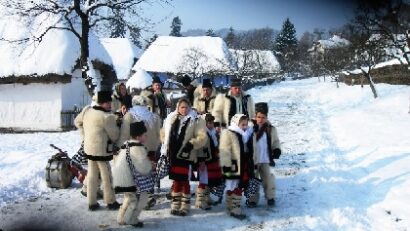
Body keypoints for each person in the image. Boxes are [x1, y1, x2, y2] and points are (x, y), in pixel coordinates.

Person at [74, 90, 120, 211]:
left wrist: (84, 135)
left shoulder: (87, 111)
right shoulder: (107, 117)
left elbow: (77, 122)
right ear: (102, 103)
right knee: (107, 177)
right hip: (102, 151)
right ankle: (111, 202)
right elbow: (114, 135)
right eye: (107, 103)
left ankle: (91, 202)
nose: (110, 105)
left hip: (89, 149)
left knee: (92, 176)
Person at [160, 97, 207, 216]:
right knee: (176, 180)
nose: (184, 109)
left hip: (187, 155)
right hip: (174, 155)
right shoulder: (172, 118)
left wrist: (191, 144)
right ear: (178, 108)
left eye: (186, 107)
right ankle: (175, 205)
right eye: (182, 107)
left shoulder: (196, 119)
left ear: (189, 107)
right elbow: (164, 133)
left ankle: (185, 206)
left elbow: (202, 137)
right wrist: (166, 145)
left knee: (184, 181)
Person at [116, 95, 162, 209]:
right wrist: (158, 146)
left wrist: (120, 148)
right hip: (151, 148)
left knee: (138, 174)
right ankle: (149, 193)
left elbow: (124, 134)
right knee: (149, 171)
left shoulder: (129, 116)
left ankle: (143, 197)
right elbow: (159, 133)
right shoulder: (154, 116)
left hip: (137, 149)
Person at [112, 121, 153, 228]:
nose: (146, 136)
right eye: (145, 135)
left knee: (128, 198)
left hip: (120, 177)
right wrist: (151, 166)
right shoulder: (138, 148)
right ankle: (131, 219)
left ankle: (121, 218)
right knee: (137, 200)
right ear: (139, 136)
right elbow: (143, 168)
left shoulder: (127, 144)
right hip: (128, 180)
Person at [246, 102, 282, 208]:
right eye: (258, 117)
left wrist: (276, 149)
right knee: (253, 181)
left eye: (263, 117)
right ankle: (253, 199)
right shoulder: (249, 128)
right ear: (255, 116)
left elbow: (275, 141)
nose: (260, 119)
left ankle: (270, 197)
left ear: (266, 117)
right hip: (254, 160)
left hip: (265, 159)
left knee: (268, 179)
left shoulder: (270, 129)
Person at [219, 113, 254, 220]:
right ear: (235, 123)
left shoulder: (247, 133)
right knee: (233, 185)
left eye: (246, 124)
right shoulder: (228, 133)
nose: (244, 127)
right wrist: (226, 166)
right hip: (232, 164)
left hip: (243, 164)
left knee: (238, 185)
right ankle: (235, 209)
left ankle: (232, 206)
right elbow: (224, 150)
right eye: (242, 124)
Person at [194, 113, 223, 210]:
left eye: (212, 122)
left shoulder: (214, 133)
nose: (210, 125)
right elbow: (199, 149)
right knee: (203, 180)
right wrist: (201, 161)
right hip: (204, 161)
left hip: (213, 160)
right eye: (208, 123)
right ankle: (200, 201)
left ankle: (207, 197)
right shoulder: (201, 133)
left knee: (209, 180)